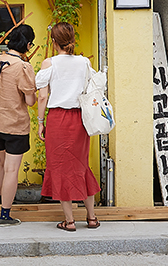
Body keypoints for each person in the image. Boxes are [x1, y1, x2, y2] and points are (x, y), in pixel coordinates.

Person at [36, 22, 101, 232]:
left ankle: (70, 221)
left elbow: (43, 96)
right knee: (81, 166)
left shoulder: (50, 63)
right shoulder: (83, 63)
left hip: (58, 119)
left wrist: (40, 122)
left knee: (60, 167)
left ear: (53, 42)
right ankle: (91, 218)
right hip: (80, 119)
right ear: (72, 39)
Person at [0, 23, 37, 226]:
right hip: (15, 126)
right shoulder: (23, 66)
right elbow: (31, 101)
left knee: (2, 163)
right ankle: (5, 215)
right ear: (28, 44)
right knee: (12, 170)